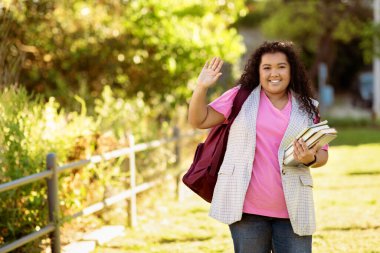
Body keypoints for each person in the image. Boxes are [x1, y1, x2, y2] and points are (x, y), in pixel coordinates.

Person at [188, 41, 329, 253]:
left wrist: (309, 158)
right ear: (258, 71)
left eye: (281, 66)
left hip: (294, 210)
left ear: (292, 70)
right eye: (267, 67)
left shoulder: (307, 108)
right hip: (247, 212)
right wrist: (201, 87)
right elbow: (199, 120)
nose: (275, 73)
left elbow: (323, 155)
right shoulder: (240, 97)